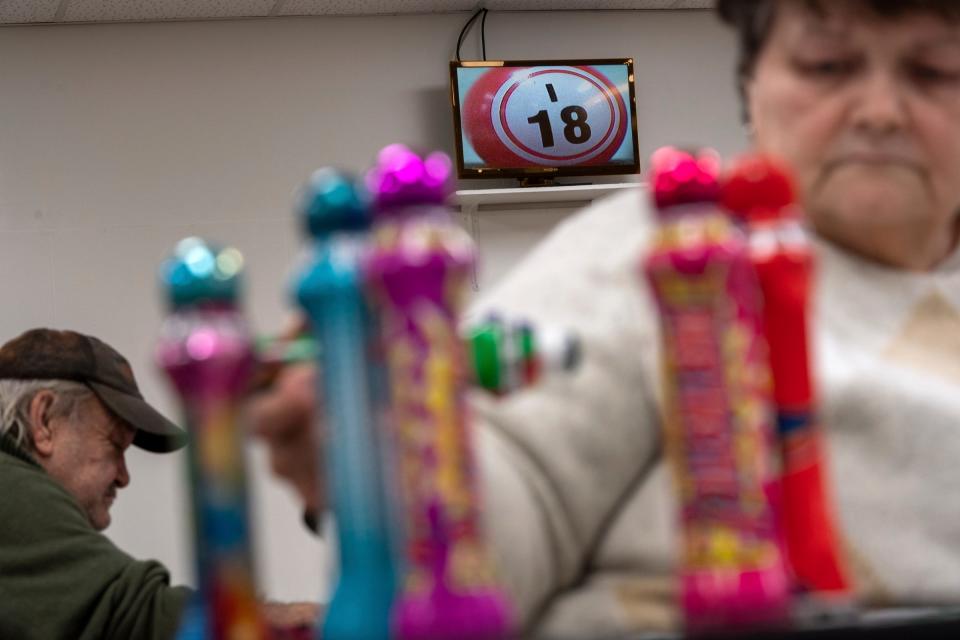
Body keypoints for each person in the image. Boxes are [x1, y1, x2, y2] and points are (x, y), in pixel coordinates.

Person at [249, 1, 960, 637]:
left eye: (933, 71)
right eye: (827, 65)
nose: (880, 111)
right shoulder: (661, 251)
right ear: (751, 83)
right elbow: (510, 483)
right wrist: (395, 463)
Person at [0, 328, 316, 639]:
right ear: (44, 420)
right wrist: (311, 622)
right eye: (114, 444)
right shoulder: (11, 489)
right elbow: (142, 620)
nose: (124, 477)